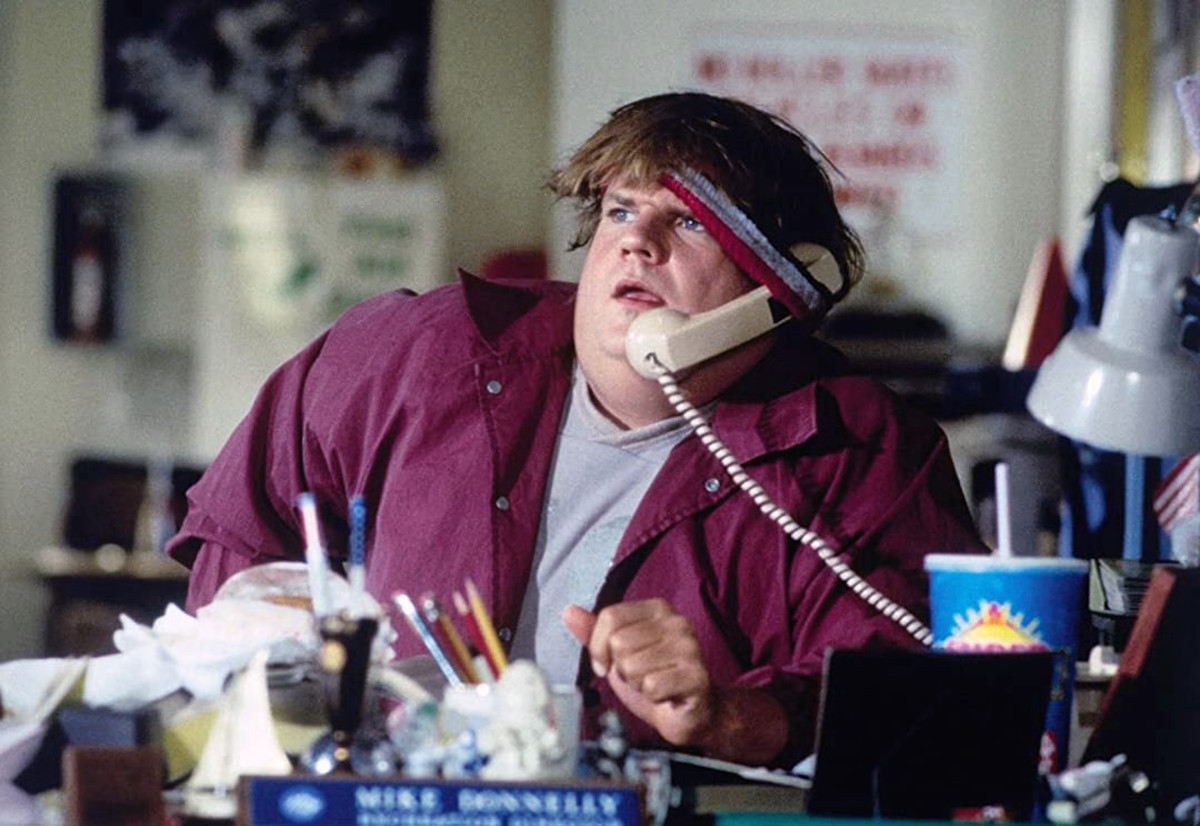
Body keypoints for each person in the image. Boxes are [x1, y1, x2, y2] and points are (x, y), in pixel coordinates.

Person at [166, 91, 986, 768]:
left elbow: (919, 703)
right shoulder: (412, 354)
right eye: (621, 209)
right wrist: (277, 697)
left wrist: (734, 717)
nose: (635, 241)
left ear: (779, 292)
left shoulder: (862, 452)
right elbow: (237, 537)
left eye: (690, 223)